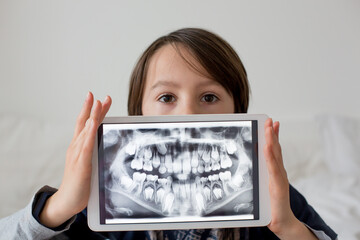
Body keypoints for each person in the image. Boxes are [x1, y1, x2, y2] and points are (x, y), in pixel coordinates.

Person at [0, 28, 337, 240]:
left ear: (238, 112)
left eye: (208, 97)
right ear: (138, 113)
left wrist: (289, 229)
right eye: (166, 98)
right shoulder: (98, 200)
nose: (187, 114)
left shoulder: (273, 196)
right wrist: (60, 206)